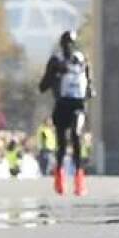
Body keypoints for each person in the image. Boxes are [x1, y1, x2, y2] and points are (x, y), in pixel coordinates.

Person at [39, 30, 94, 196]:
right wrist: (56, 74)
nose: (69, 47)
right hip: (64, 104)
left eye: (71, 44)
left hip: (76, 104)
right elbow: (43, 86)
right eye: (67, 44)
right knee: (63, 143)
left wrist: (89, 88)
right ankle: (61, 177)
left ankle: (78, 179)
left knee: (75, 136)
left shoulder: (81, 60)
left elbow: (89, 82)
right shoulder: (57, 61)